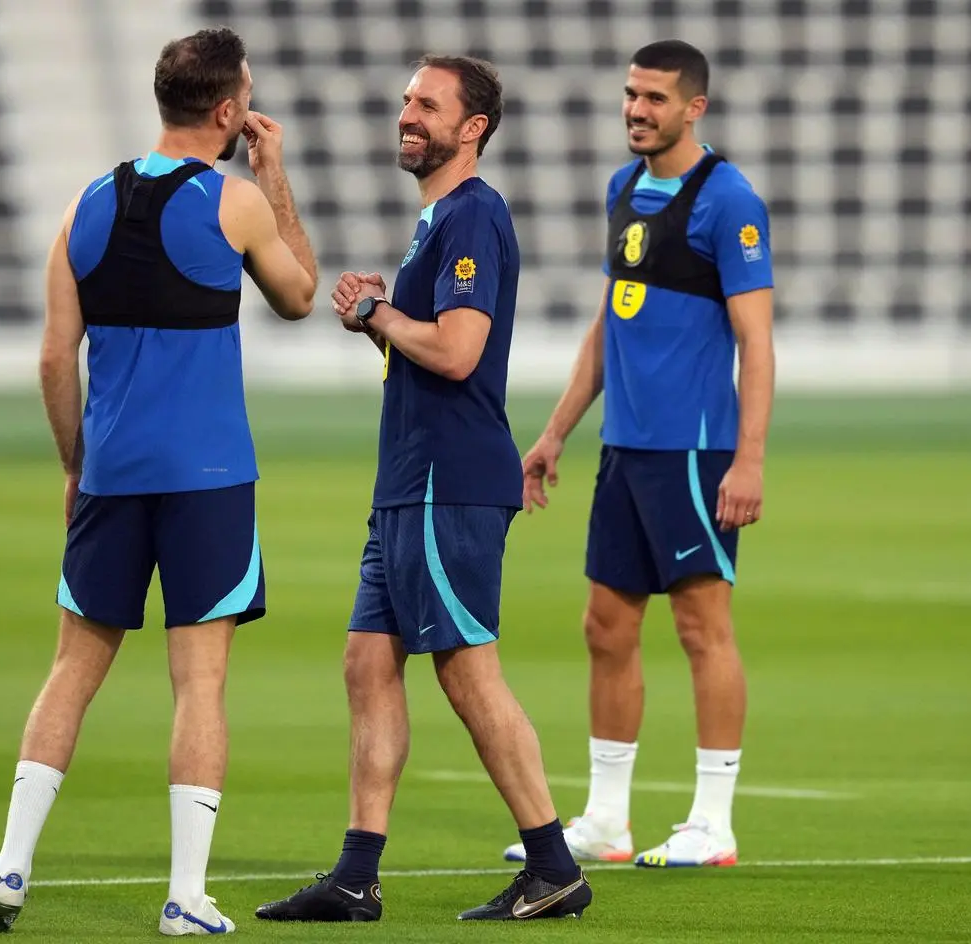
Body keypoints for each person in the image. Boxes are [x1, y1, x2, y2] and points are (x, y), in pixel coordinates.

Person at [0, 27, 317, 936]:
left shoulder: (84, 204)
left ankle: (8, 870)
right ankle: (185, 896)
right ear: (230, 111)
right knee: (199, 687)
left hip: (112, 475)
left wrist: (77, 465)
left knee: (70, 673)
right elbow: (301, 293)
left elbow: (55, 356)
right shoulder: (234, 200)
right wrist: (274, 172)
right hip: (207, 479)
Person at [255, 55, 591, 925]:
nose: (407, 114)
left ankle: (553, 865)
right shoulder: (438, 219)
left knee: (467, 669)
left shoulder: (473, 215)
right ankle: (357, 876)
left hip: (450, 481)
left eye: (427, 104)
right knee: (369, 664)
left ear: (471, 127)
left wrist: (377, 313)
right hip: (410, 479)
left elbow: (458, 352)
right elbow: (426, 349)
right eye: (407, 100)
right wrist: (382, 319)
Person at [501, 39, 776, 869]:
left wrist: (749, 458)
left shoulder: (729, 202)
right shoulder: (623, 188)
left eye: (654, 99)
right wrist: (555, 432)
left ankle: (713, 822)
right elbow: (608, 322)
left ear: (694, 107)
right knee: (606, 626)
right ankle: (608, 821)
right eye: (630, 95)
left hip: (694, 452)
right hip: (623, 450)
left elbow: (756, 344)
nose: (636, 110)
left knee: (702, 627)